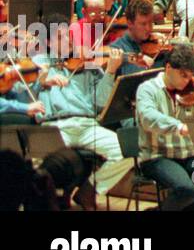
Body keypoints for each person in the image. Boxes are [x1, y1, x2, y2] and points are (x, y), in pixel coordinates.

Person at [134, 43, 194, 210]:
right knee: (187, 189)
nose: (187, 81)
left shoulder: (192, 92)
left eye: (190, 76)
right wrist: (179, 126)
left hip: (188, 159)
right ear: (168, 67)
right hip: (158, 158)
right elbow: (148, 118)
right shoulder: (147, 89)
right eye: (183, 75)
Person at [35, 53, 134, 208]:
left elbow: (101, 102)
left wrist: (110, 71)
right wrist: (43, 79)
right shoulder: (43, 61)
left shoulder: (92, 70)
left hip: (87, 125)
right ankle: (45, 199)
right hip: (56, 125)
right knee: (40, 160)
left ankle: (90, 189)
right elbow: (28, 84)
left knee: (126, 151)